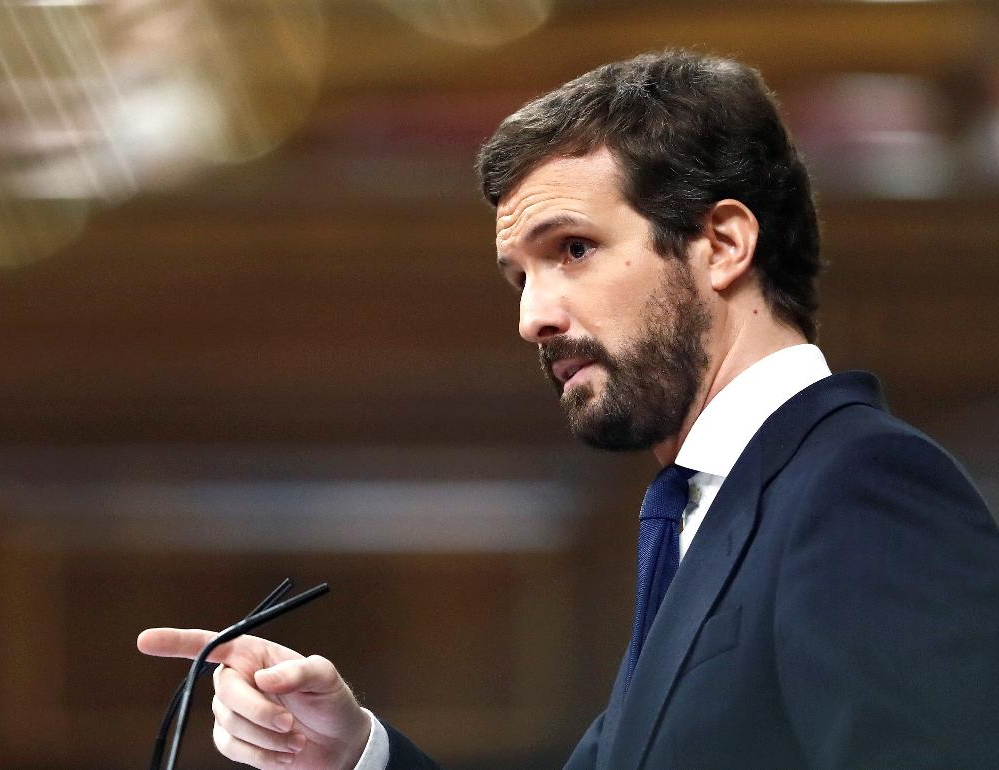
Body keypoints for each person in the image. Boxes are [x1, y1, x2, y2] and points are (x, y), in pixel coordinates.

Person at [137, 50, 999, 769]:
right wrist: (353, 753)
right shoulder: (707, 511)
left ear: (723, 243)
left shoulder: (861, 488)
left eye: (573, 249)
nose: (532, 317)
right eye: (520, 276)